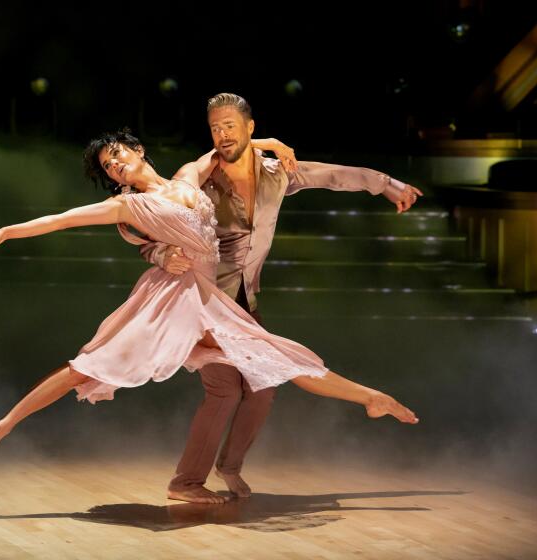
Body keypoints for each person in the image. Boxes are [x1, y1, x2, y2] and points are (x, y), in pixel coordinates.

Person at [0, 130, 419, 480]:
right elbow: (60, 221)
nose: (115, 164)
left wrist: (269, 140)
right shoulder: (126, 209)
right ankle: (1, 427)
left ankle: (372, 399)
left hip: (205, 298)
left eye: (118, 153)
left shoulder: (185, 177)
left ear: (137, 150)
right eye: (108, 165)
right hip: (169, 298)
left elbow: (225, 152)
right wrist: (5, 233)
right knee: (90, 366)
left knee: (271, 357)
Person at [139, 93, 424, 504]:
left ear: (249, 128)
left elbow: (331, 175)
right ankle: (185, 482)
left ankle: (229, 467)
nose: (221, 135)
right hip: (203, 303)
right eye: (215, 128)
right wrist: (164, 253)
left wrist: (386, 184)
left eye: (230, 126)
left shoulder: (277, 174)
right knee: (225, 390)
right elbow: (150, 226)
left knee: (263, 388)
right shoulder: (199, 180)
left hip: (245, 303)